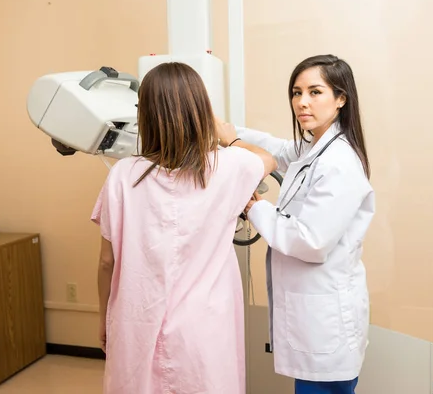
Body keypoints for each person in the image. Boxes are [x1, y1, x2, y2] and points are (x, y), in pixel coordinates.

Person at [91, 62, 277, 393]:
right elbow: (268, 159)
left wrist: (104, 318)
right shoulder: (225, 166)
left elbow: (107, 262)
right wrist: (228, 138)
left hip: (138, 322)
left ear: (145, 114)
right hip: (204, 327)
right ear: (200, 111)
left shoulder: (122, 174)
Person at [216, 54, 375, 394]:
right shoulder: (314, 145)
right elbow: (277, 149)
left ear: (341, 98)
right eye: (296, 92)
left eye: (315, 92)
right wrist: (226, 132)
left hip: (325, 324)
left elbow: (311, 242)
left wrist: (256, 207)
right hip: (312, 319)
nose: (302, 102)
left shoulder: (339, 162)